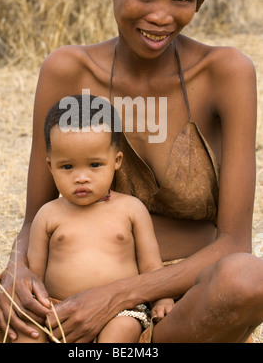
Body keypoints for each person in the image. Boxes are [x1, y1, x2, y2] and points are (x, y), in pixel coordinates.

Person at [0, 0, 263, 343]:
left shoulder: (226, 74)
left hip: (179, 305)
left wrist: (116, 297)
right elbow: (35, 217)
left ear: (200, 0)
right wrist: (18, 271)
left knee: (249, 280)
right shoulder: (67, 71)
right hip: (71, 298)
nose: (161, 16)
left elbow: (233, 244)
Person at [13, 95, 173, 343]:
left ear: (116, 161)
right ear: (50, 166)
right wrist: (37, 308)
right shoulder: (48, 214)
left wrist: (162, 299)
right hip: (58, 310)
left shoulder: (131, 209)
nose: (81, 177)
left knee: (120, 332)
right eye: (67, 167)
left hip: (120, 311)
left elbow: (151, 267)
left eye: (95, 164)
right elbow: (36, 274)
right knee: (28, 336)